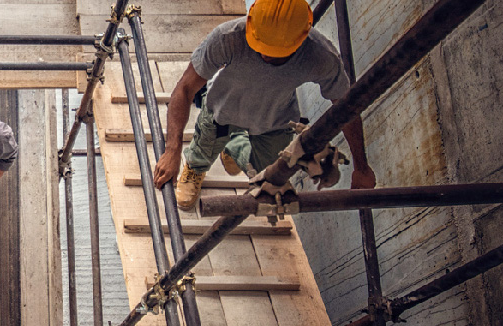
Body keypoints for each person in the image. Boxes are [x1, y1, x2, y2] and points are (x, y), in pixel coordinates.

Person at [154, 0, 376, 210]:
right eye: (261, 46)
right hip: (222, 111)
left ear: (302, 37)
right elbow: (184, 89)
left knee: (269, 175)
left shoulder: (319, 56)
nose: (266, 56)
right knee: (203, 148)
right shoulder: (228, 37)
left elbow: (346, 108)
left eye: (277, 54)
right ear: (251, 23)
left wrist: (362, 166)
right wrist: (172, 151)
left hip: (273, 121)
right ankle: (196, 168)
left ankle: (234, 146)